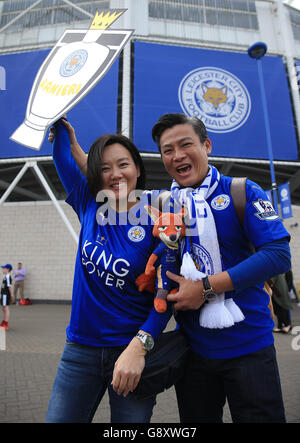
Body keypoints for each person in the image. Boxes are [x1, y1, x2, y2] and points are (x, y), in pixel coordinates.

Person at [151, 113, 291, 423]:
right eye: (167, 150)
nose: (177, 156)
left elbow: (279, 253)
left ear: (207, 145)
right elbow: (106, 183)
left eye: (186, 144)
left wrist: (205, 288)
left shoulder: (242, 191)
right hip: (192, 352)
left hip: (250, 349)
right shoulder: (164, 204)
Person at [46, 118, 172, 423]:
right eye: (104, 168)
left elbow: (166, 294)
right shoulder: (88, 203)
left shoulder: (159, 216)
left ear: (138, 169)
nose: (115, 174)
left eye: (123, 164)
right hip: (79, 351)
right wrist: (63, 128)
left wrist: (140, 347)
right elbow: (61, 156)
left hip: (132, 353)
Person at [1, 264, 13, 330]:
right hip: (3, 294)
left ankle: (5, 323)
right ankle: (3, 321)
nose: (3, 269)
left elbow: (9, 286)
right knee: (3, 308)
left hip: (6, 294)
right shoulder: (5, 276)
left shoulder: (8, 276)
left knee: (6, 309)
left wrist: (11, 295)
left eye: (4, 268)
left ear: (8, 269)